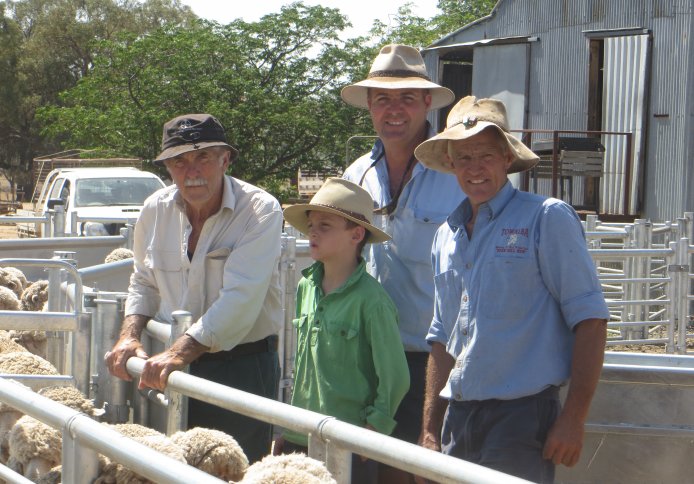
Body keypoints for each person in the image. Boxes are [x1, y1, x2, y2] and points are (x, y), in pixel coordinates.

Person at [413, 96, 609, 483]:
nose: (475, 168)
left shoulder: (545, 217)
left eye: (485, 154)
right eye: (464, 157)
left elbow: (590, 318)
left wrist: (573, 418)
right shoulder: (445, 236)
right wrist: (430, 430)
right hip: (459, 413)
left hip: (522, 416)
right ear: (450, 163)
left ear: (506, 157)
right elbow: (441, 338)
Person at [105, 113, 283, 463]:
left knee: (234, 468)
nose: (192, 171)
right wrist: (130, 334)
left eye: (203, 156)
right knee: (172, 466)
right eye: (179, 161)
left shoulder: (260, 210)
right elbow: (144, 279)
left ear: (225, 159)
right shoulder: (155, 209)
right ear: (168, 168)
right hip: (172, 364)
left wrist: (176, 353)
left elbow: (241, 299)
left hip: (241, 367)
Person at [341, 44, 464, 483]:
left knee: (428, 469)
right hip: (369, 354)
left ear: (427, 102)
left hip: (434, 358)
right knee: (370, 468)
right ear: (370, 106)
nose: (394, 109)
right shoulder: (356, 173)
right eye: (383, 99)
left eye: (407, 98)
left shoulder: (458, 171)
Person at [276, 178, 410, 484]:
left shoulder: (372, 301)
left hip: (349, 440)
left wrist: (373, 430)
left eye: (325, 225)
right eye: (311, 224)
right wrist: (289, 428)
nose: (312, 231)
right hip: (303, 433)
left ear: (357, 234)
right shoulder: (305, 287)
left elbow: (395, 376)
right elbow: (302, 369)